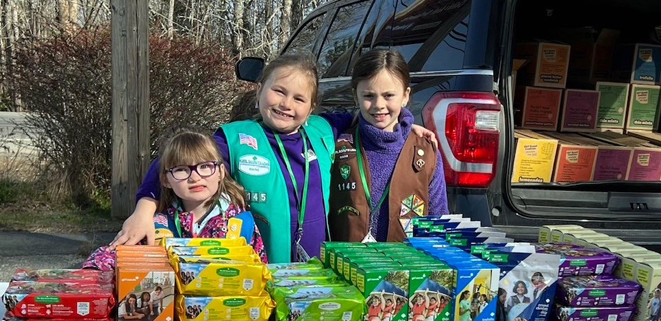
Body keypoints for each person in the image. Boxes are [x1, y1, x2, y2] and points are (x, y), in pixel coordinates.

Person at [112, 52, 436, 262]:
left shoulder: (325, 130)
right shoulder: (236, 139)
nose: (286, 104)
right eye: (278, 91)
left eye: (299, 98)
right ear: (259, 90)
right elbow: (177, 159)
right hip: (259, 273)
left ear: (311, 108)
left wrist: (410, 127)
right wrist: (144, 207)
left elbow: (374, 114)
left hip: (317, 274)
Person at [83, 130, 268, 269]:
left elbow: (260, 271)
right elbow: (113, 256)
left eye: (205, 166)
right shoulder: (157, 226)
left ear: (220, 172)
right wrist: (92, 272)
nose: (195, 177)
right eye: (181, 170)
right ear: (165, 180)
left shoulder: (242, 224)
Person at [328, 49, 448, 242]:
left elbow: (438, 218)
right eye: (368, 96)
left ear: (406, 95)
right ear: (355, 95)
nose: (379, 104)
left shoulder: (425, 152)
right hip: (347, 266)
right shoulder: (337, 143)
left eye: (389, 95)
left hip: (406, 268)